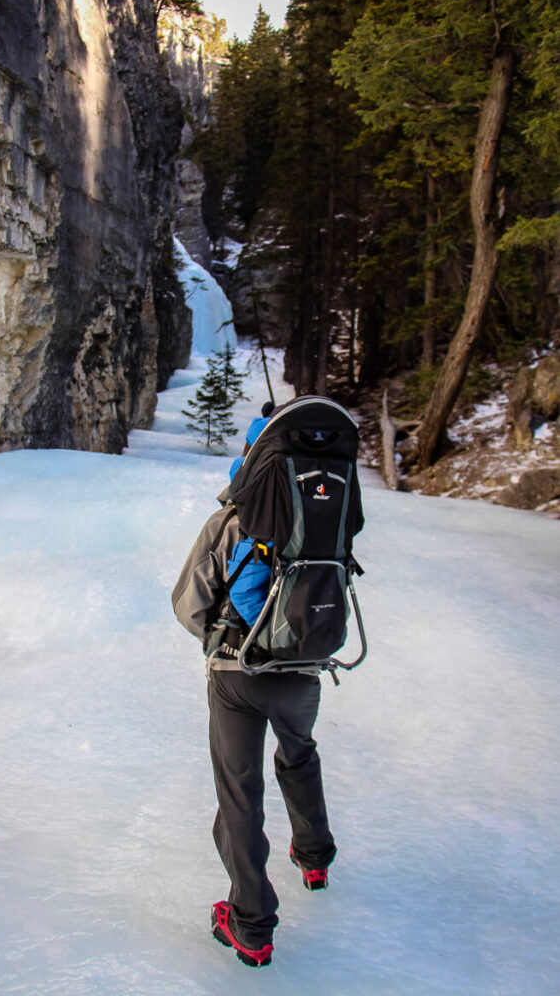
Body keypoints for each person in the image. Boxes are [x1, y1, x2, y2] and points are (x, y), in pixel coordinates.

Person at [171, 404, 337, 969]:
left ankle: (250, 925)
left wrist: (220, 639)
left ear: (252, 457)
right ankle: (314, 857)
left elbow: (188, 603)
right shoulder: (323, 512)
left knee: (240, 791)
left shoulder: (232, 519)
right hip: (304, 670)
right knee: (299, 753)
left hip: (237, 673)